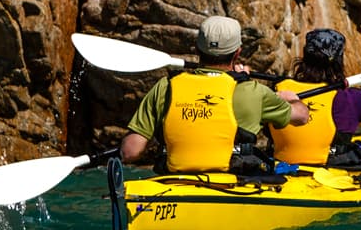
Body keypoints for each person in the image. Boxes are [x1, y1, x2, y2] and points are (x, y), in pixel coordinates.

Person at [119, 16, 309, 173]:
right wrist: (292, 98)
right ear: (237, 53)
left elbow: (130, 152)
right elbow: (302, 117)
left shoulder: (166, 87)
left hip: (173, 186)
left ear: (197, 49)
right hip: (231, 186)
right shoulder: (253, 91)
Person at [273, 28, 361, 170]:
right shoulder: (349, 98)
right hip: (330, 167)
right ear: (340, 60)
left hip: (282, 163)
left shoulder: (279, 89)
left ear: (305, 55)